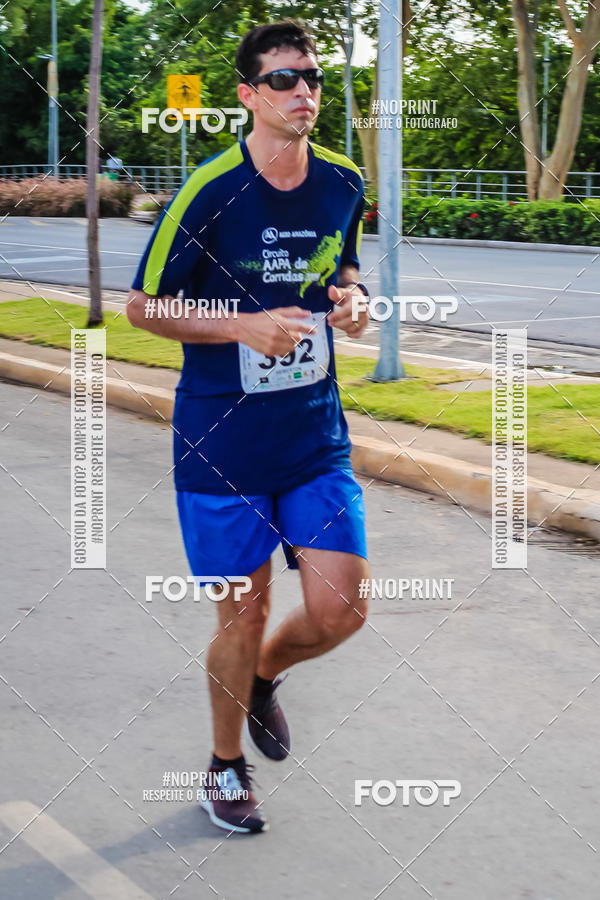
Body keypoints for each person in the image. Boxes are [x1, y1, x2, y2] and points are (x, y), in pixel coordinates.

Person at [127, 19, 370, 834]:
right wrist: (241, 326)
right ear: (247, 95)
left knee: (341, 609)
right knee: (244, 612)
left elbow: (344, 265)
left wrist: (354, 301)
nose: (304, 91)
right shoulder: (210, 192)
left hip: (312, 436)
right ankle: (224, 766)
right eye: (283, 80)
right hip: (222, 445)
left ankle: (262, 678)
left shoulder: (342, 179)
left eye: (312, 79)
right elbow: (142, 305)